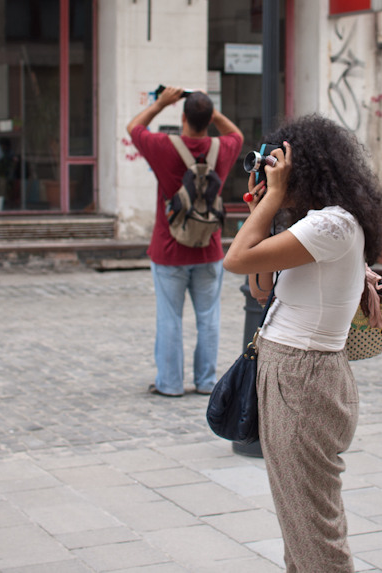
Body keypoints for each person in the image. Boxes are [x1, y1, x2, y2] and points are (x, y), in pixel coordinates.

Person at [223, 114, 382, 572]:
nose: (270, 176)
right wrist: (265, 209)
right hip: (296, 374)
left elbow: (234, 260)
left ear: (303, 169)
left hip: (302, 379)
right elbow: (260, 286)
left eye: (278, 167)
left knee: (315, 533)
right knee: (300, 525)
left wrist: (272, 199)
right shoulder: (317, 225)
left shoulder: (330, 226)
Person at [127, 86, 244, 397]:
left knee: (170, 318)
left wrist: (160, 104)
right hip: (209, 247)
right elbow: (237, 134)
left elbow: (133, 127)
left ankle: (170, 384)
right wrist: (210, 109)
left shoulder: (163, 147)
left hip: (169, 249)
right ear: (209, 118)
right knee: (209, 318)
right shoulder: (222, 148)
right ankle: (206, 382)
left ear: (183, 117)